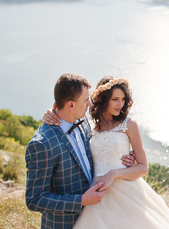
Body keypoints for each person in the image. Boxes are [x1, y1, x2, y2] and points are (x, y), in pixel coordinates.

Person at [45, 75, 169, 228]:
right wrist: (51, 112)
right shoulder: (87, 125)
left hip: (126, 193)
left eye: (123, 99)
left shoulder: (129, 125)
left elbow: (143, 168)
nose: (120, 104)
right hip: (97, 193)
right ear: (103, 99)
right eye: (115, 99)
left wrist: (114, 173)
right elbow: (66, 114)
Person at [25, 73, 136, 229]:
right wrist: (81, 200)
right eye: (86, 101)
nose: (89, 104)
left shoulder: (82, 121)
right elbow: (34, 199)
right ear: (71, 105)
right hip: (64, 224)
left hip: (98, 216)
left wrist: (121, 157)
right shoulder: (42, 144)